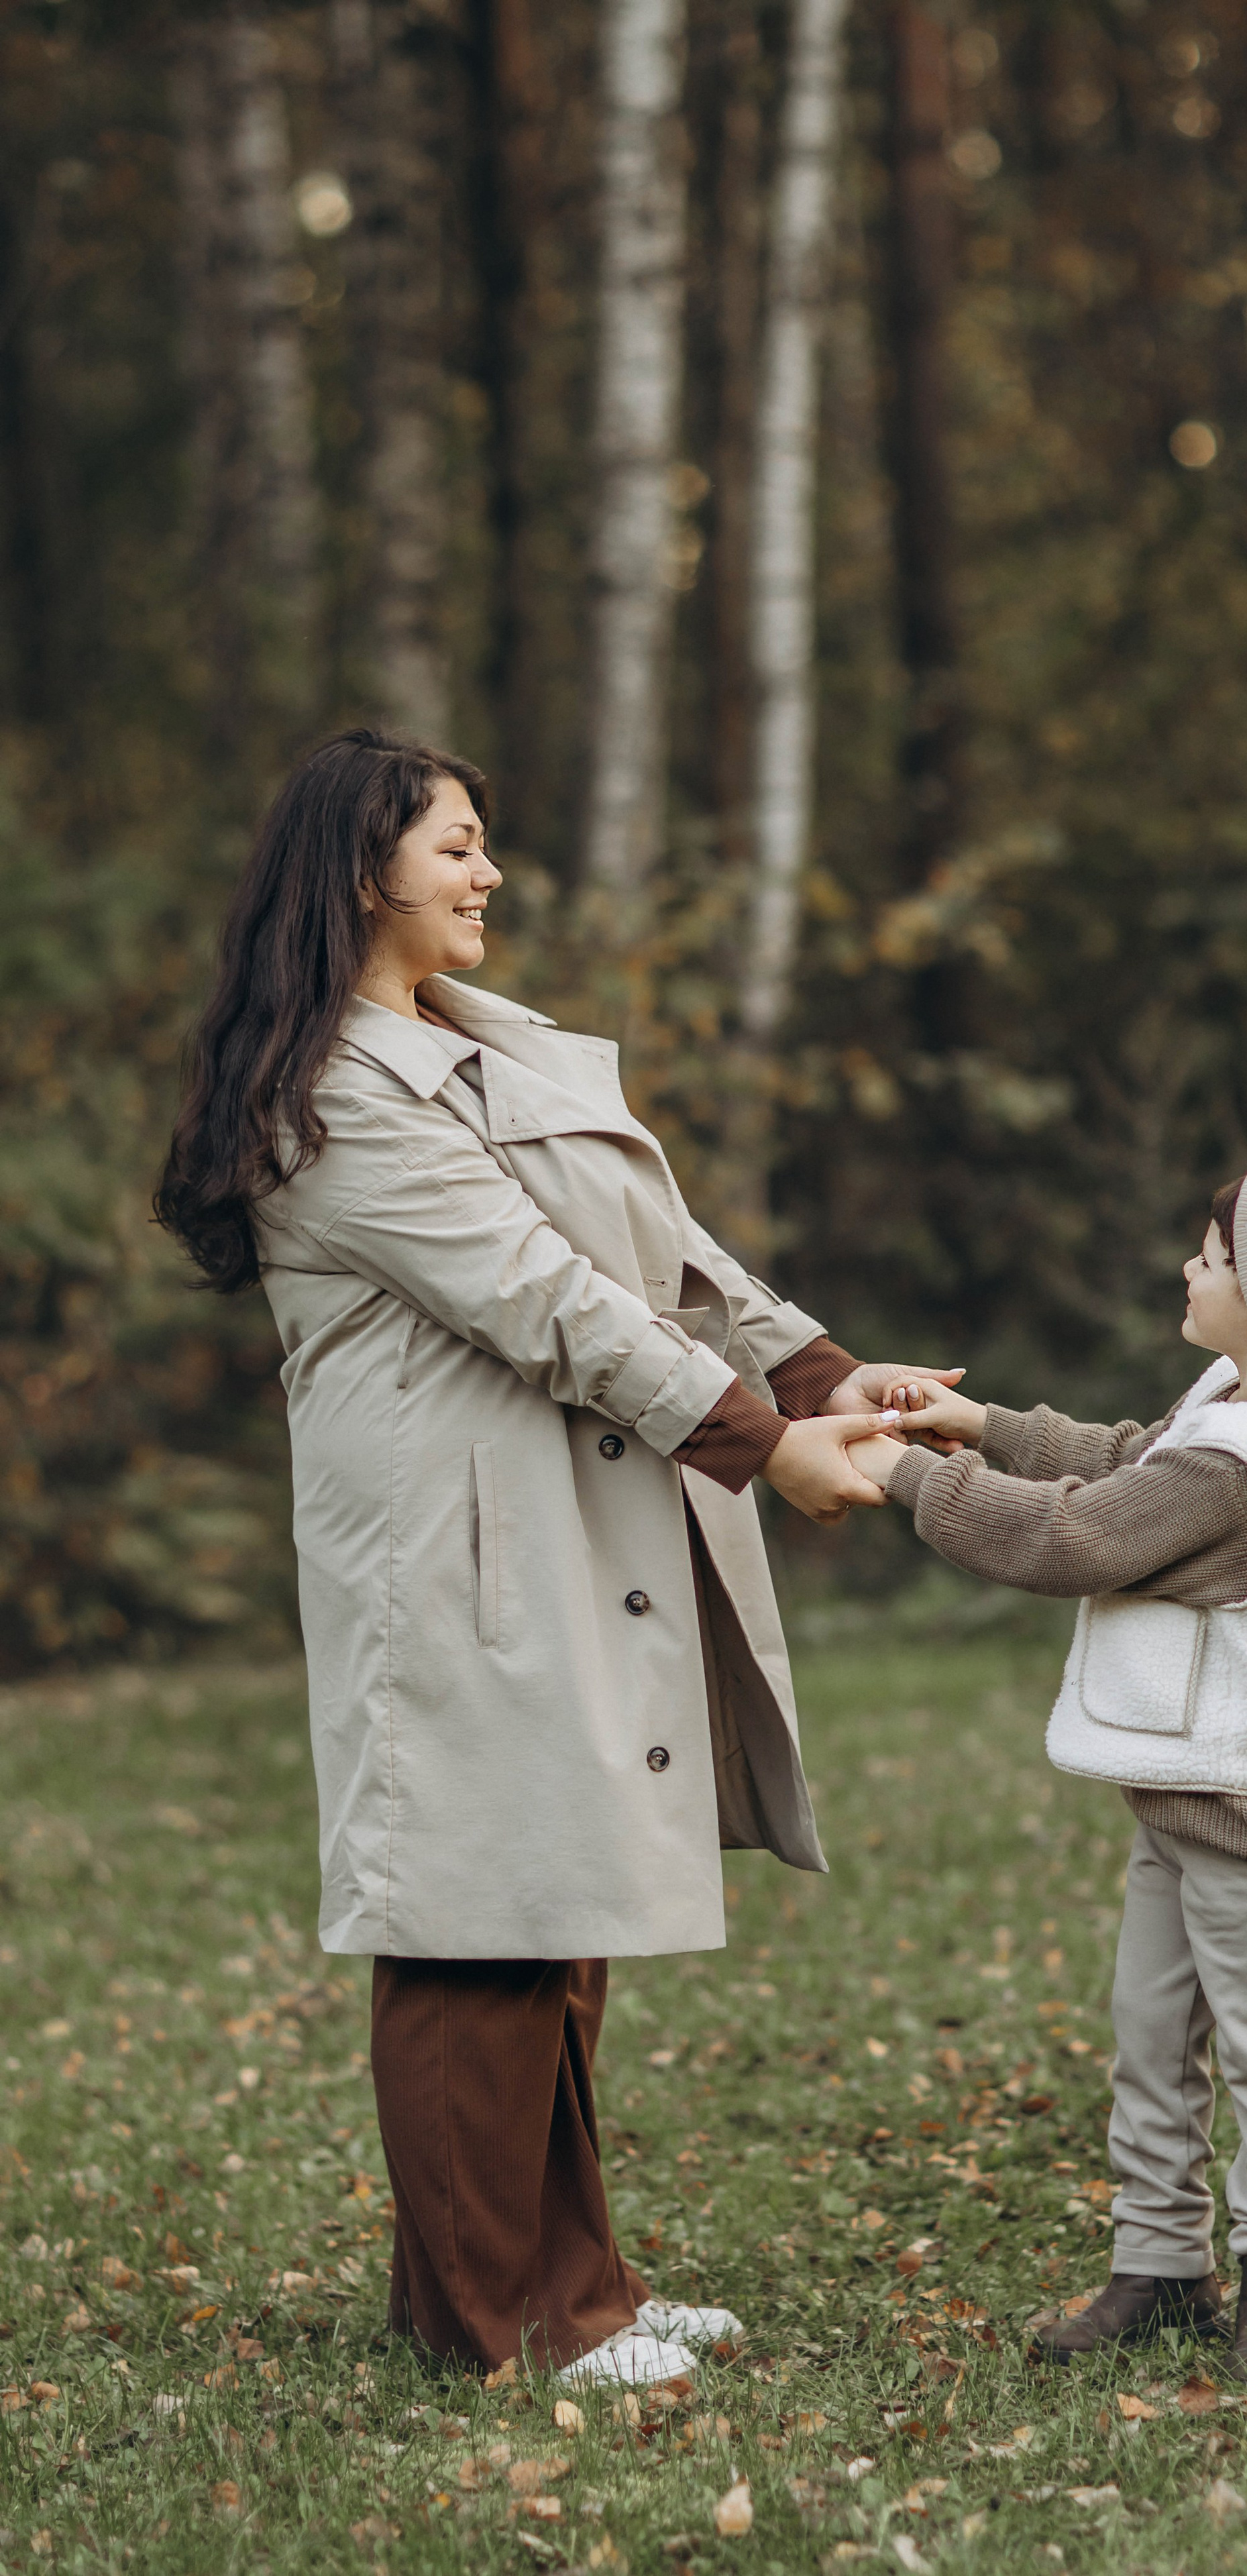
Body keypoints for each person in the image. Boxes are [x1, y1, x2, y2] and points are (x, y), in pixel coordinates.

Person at [156, 728, 959, 2387]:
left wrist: (820, 1375)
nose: (487, 874)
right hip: (455, 1554)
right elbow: (546, 1298)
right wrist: (761, 1444)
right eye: (456, 845)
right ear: (362, 868)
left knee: (556, 1909)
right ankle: (493, 2323)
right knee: (477, 1926)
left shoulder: (482, 1039)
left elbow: (664, 1252)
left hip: (560, 1524)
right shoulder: (331, 1101)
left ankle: (568, 2280)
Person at [845, 1162, 1247, 2371]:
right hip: (1188, 1797)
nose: (1190, 1267)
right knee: (1154, 2035)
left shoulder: (1241, 1470)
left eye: (1213, 1257)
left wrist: (902, 1471)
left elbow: (1073, 1535)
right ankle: (1160, 2263)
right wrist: (983, 1426)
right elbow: (1130, 1455)